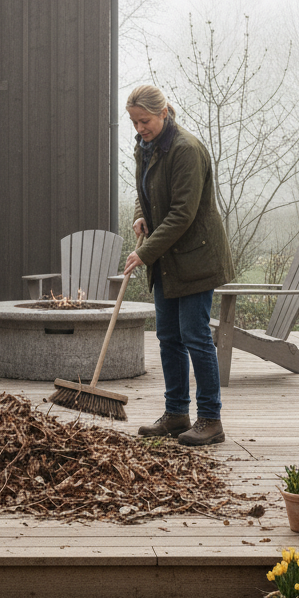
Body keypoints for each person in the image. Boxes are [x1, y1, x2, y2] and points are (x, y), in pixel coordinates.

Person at [123, 85, 235, 446]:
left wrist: (144, 253)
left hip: (196, 256)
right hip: (167, 256)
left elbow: (182, 213)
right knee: (168, 337)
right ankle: (176, 414)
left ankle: (210, 419)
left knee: (196, 337)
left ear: (163, 114)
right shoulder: (146, 147)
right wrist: (141, 216)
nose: (140, 128)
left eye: (145, 121)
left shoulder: (186, 150)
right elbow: (146, 194)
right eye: (135, 122)